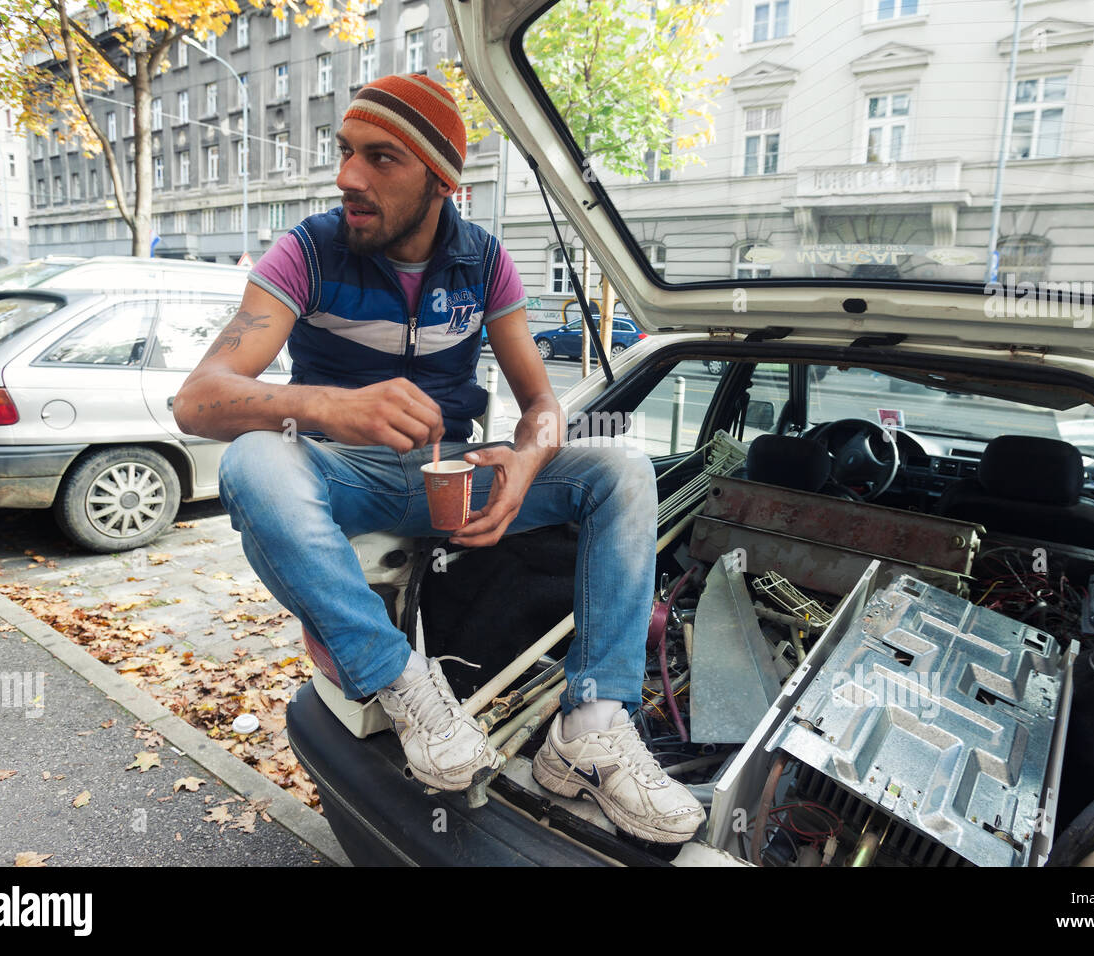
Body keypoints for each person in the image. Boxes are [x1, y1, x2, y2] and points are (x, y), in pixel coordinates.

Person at [173, 74, 704, 845]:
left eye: (381, 158)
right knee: (255, 458)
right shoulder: (308, 251)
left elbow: (544, 407)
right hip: (334, 474)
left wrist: (525, 464)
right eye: (346, 152)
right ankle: (402, 682)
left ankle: (588, 725)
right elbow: (197, 400)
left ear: (440, 178)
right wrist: (328, 406)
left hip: (451, 474)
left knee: (619, 462)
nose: (348, 177)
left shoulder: (486, 263)